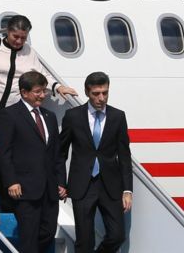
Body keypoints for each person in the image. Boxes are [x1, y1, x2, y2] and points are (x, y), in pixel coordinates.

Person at [0, 14, 77, 192]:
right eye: (15, 36)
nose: (19, 41)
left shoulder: (29, 52)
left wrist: (58, 87)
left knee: (5, 147)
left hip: (13, 109)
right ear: (8, 32)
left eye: (23, 38)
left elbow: (42, 75)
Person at [59, 71, 133, 253]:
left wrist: (127, 189)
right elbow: (60, 153)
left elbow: (124, 155)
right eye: (96, 93)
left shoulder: (118, 116)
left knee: (117, 235)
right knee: (84, 242)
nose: (101, 98)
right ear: (87, 92)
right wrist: (60, 182)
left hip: (111, 185)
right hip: (82, 185)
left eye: (105, 93)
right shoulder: (73, 116)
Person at [0, 71, 67, 252]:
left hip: (50, 189)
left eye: (44, 91)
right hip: (25, 189)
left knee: (48, 232)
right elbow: (4, 152)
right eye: (38, 92)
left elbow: (56, 153)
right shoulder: (9, 115)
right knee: (29, 237)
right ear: (24, 92)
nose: (42, 95)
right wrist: (11, 181)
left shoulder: (49, 117)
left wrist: (61, 182)